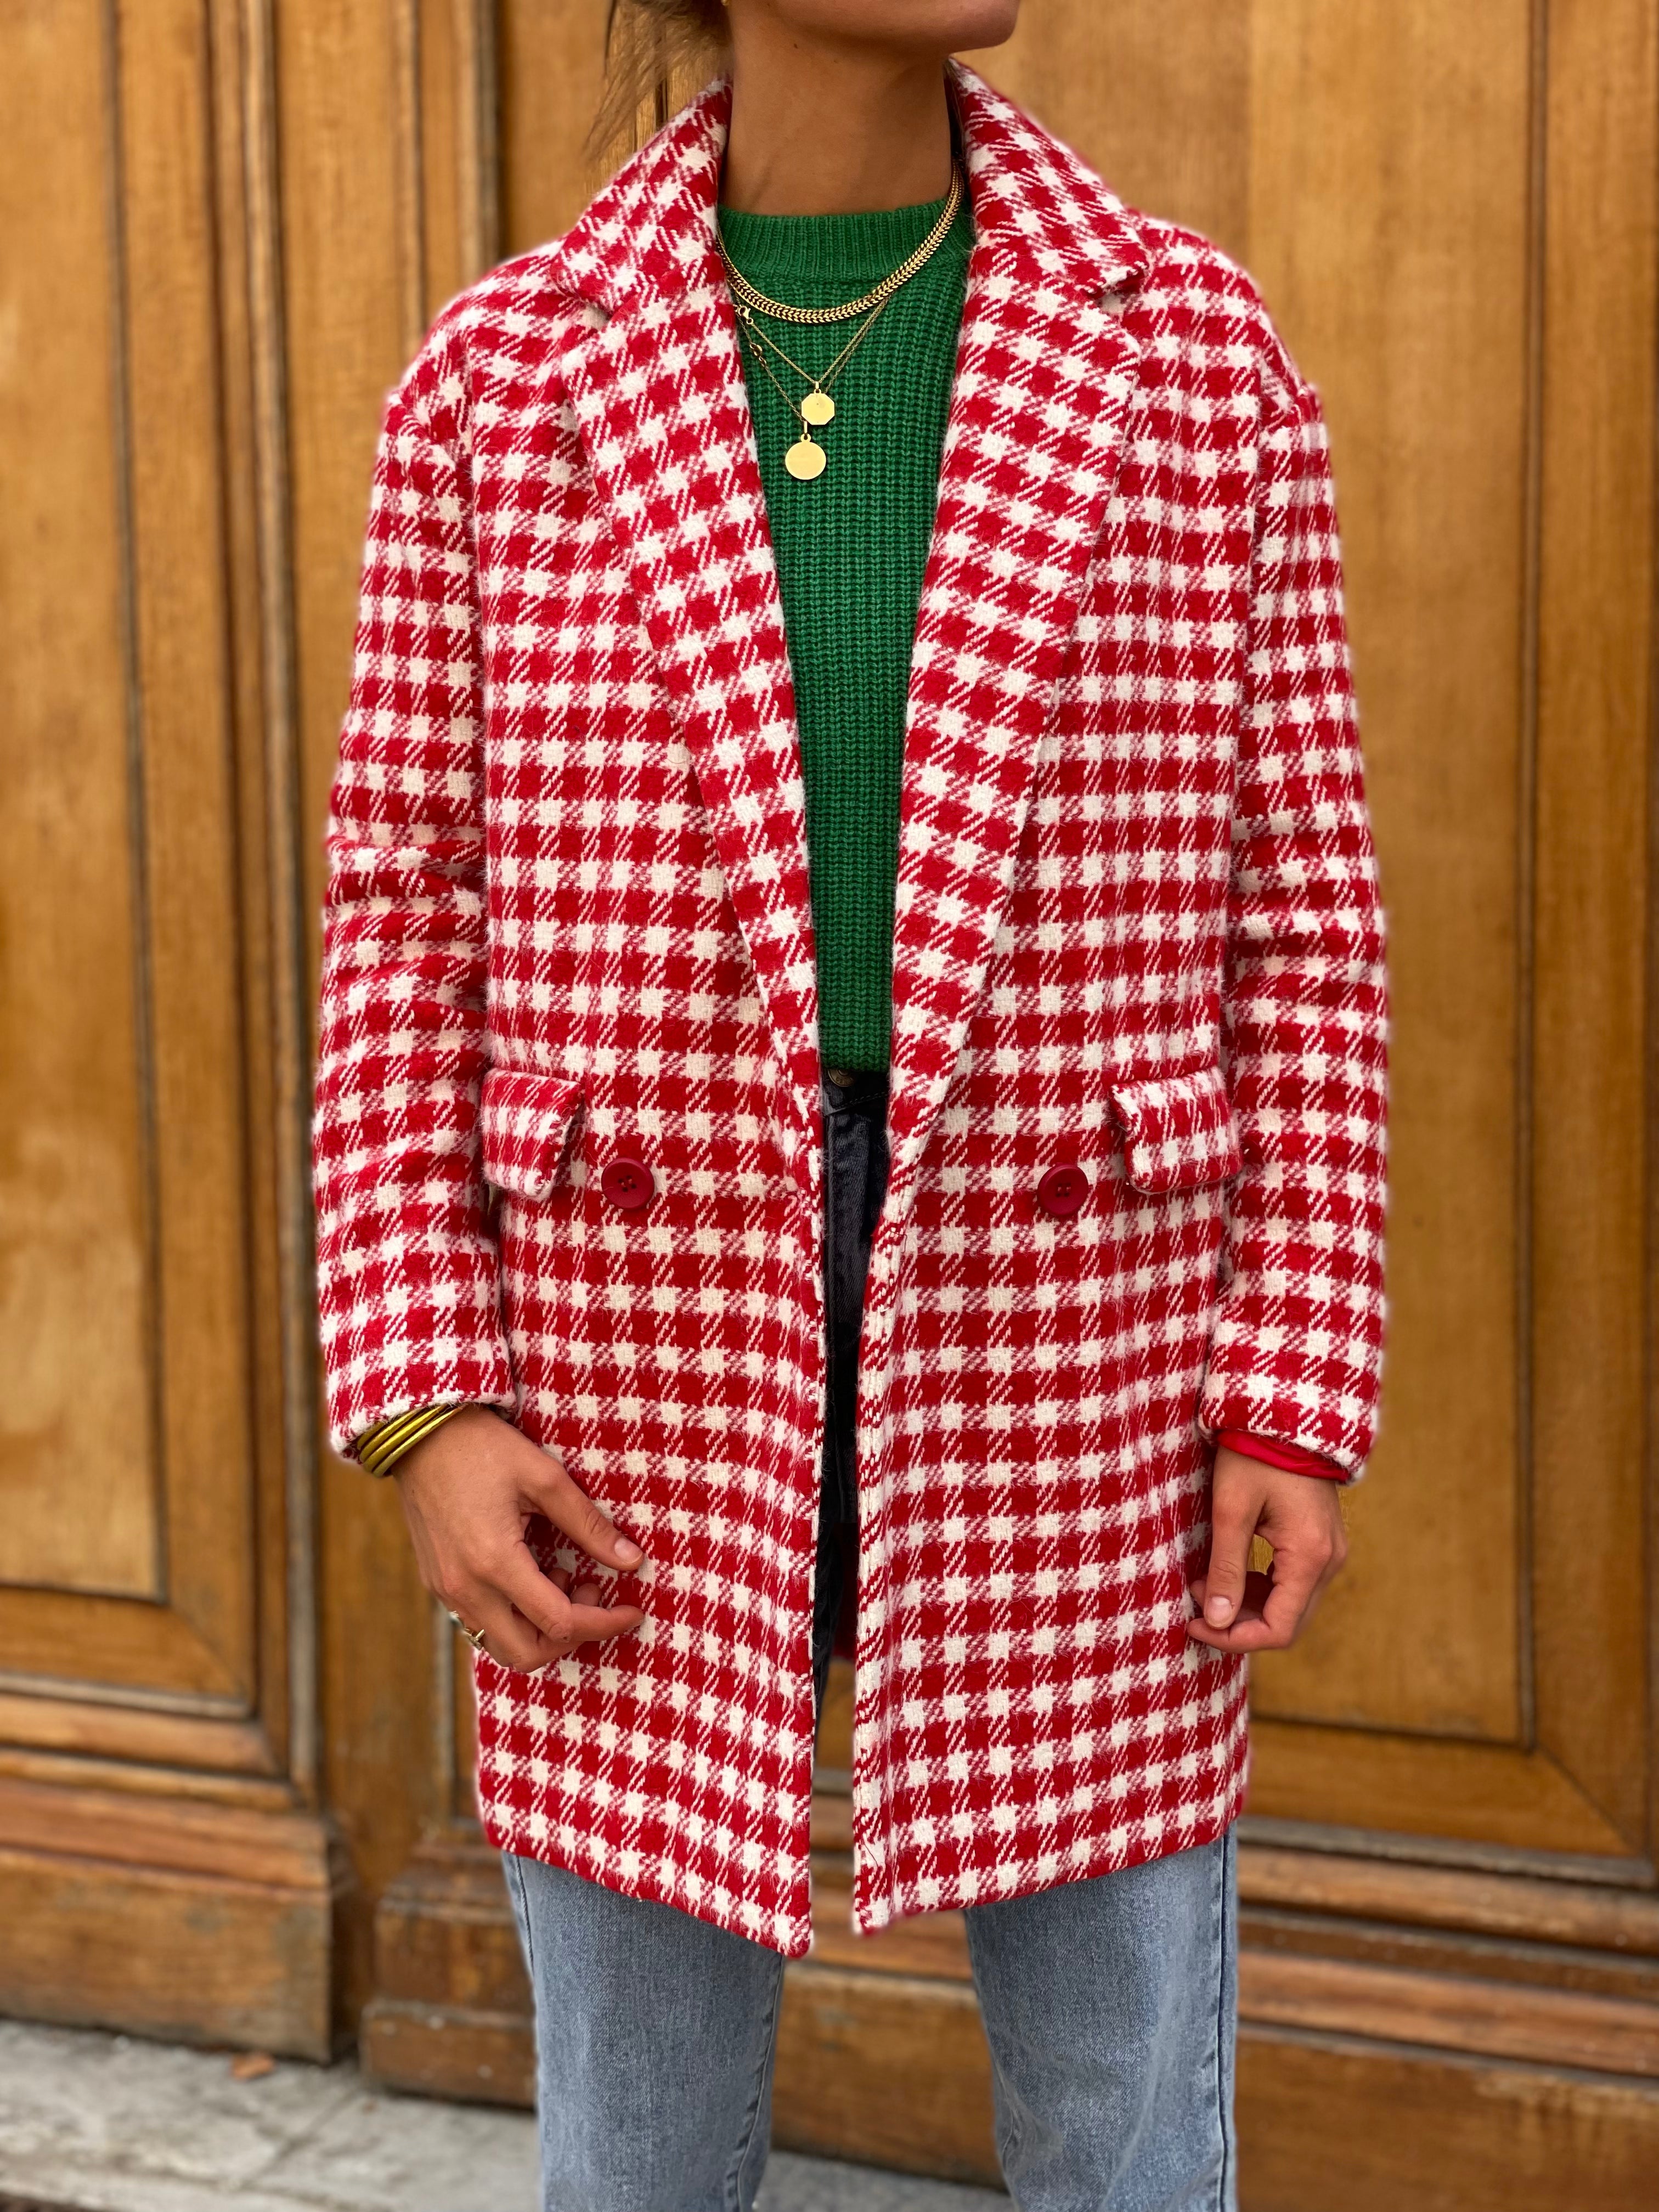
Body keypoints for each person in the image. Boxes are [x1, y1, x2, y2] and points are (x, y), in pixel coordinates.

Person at [312, 1, 1387, 2205]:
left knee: (1124, 2116)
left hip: (1083, 1327)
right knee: (636, 2139)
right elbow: (404, 912)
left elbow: (1306, 920)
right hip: (625, 1337)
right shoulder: (502, 377)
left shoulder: (1191, 350)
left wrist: (1292, 1387)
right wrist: (425, 1396)